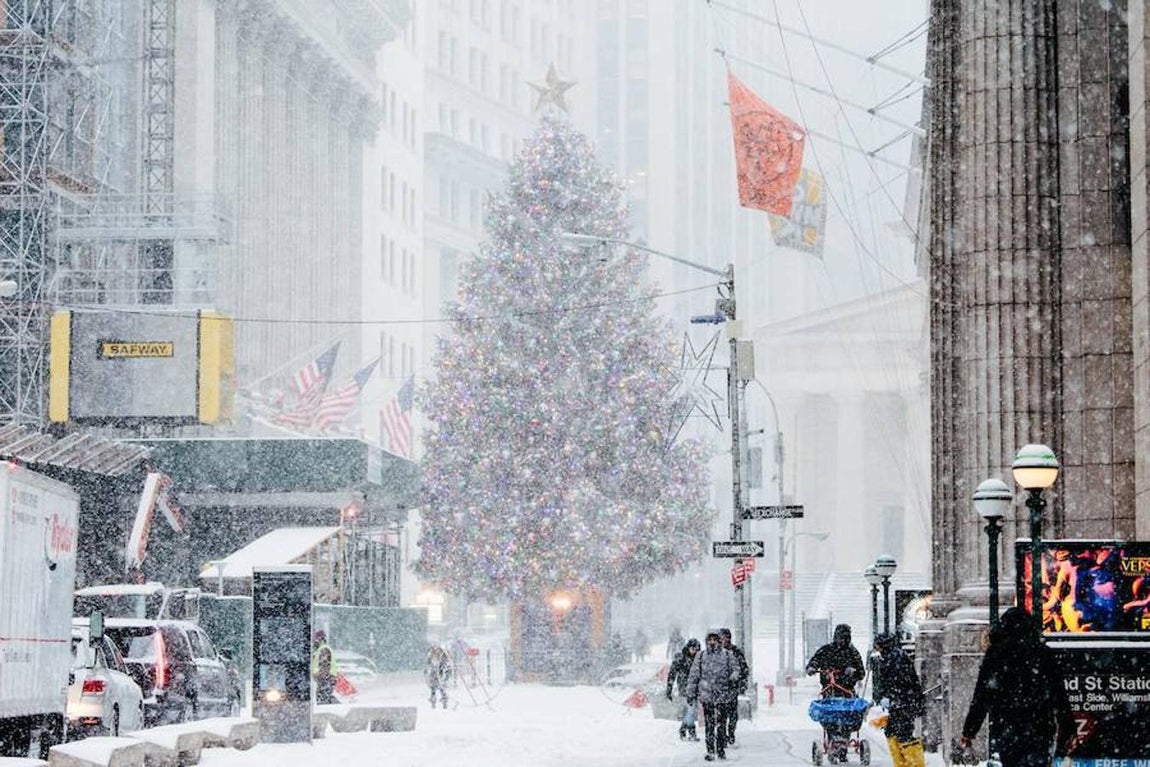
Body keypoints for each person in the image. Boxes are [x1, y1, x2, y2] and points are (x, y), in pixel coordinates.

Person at [960, 607, 1076, 767]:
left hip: (1008, 727)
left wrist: (970, 730)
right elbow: (1059, 694)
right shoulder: (1043, 653)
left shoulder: (996, 655)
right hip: (1040, 727)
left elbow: (982, 696)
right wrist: (1068, 726)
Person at [872, 633, 926, 767]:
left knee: (903, 735)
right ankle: (903, 764)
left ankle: (913, 764)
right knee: (893, 732)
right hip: (901, 703)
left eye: (877, 645)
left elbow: (900, 683)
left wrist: (890, 698)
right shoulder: (891, 657)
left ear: (882, 645)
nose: (876, 648)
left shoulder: (895, 659)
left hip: (903, 704)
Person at [686, 631, 739, 762]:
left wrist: (732, 678)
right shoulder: (701, 656)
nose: (712, 642)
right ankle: (710, 751)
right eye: (709, 640)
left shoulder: (727, 655)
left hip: (723, 695)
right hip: (707, 695)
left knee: (721, 724)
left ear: (719, 641)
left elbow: (735, 669)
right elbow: (694, 675)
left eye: (714, 639)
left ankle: (720, 749)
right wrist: (691, 692)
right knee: (709, 725)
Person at [806, 623, 865, 695]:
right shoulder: (825, 650)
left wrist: (853, 672)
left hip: (847, 692)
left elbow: (861, 673)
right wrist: (812, 667)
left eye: (845, 638)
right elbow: (815, 660)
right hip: (828, 690)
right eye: (840, 638)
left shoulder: (852, 652)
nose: (842, 641)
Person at [718, 628, 749, 747]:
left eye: (725, 637)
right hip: (720, 689)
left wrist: (742, 683)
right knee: (721, 715)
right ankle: (722, 736)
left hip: (732, 688)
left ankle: (731, 733)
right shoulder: (716, 652)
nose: (723, 640)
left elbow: (744, 668)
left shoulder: (735, 651)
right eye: (721, 637)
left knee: (732, 714)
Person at [665, 638, 700, 741]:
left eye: (696, 649)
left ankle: (683, 728)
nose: (694, 651)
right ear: (688, 648)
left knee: (691, 710)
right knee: (691, 710)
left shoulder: (698, 659)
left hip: (695, 688)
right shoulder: (680, 658)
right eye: (692, 648)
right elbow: (672, 674)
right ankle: (691, 732)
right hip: (684, 687)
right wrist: (669, 689)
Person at [311, 630, 339, 704]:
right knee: (324, 697)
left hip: (326, 678)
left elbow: (325, 665)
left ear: (320, 639)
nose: (313, 641)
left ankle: (339, 707)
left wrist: (322, 677)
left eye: (315, 639)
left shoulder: (323, 649)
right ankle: (337, 707)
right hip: (327, 678)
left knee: (323, 698)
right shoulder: (321, 649)